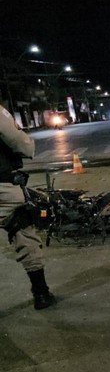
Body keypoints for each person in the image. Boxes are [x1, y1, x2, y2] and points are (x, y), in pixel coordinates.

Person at [0, 105, 56, 310]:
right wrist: (28, 147)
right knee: (23, 231)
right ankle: (41, 293)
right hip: (3, 186)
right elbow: (18, 141)